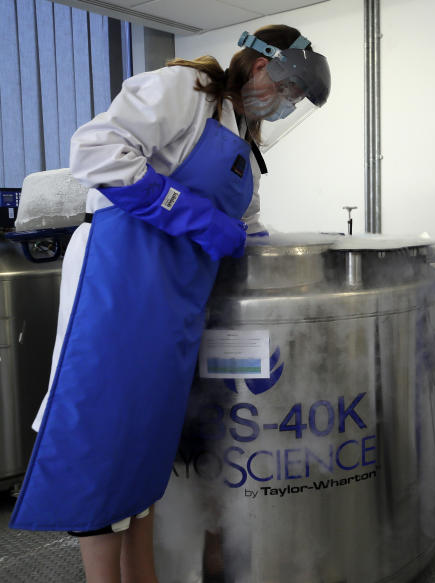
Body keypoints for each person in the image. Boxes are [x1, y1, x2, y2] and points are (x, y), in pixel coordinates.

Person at [9, 25, 330, 583]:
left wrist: (283, 263)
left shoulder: (244, 143)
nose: (284, 106)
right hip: (121, 271)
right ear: (261, 68)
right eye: (287, 92)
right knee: (104, 424)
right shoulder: (188, 91)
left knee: (148, 430)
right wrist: (192, 214)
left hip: (177, 293)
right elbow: (96, 150)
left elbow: (246, 224)